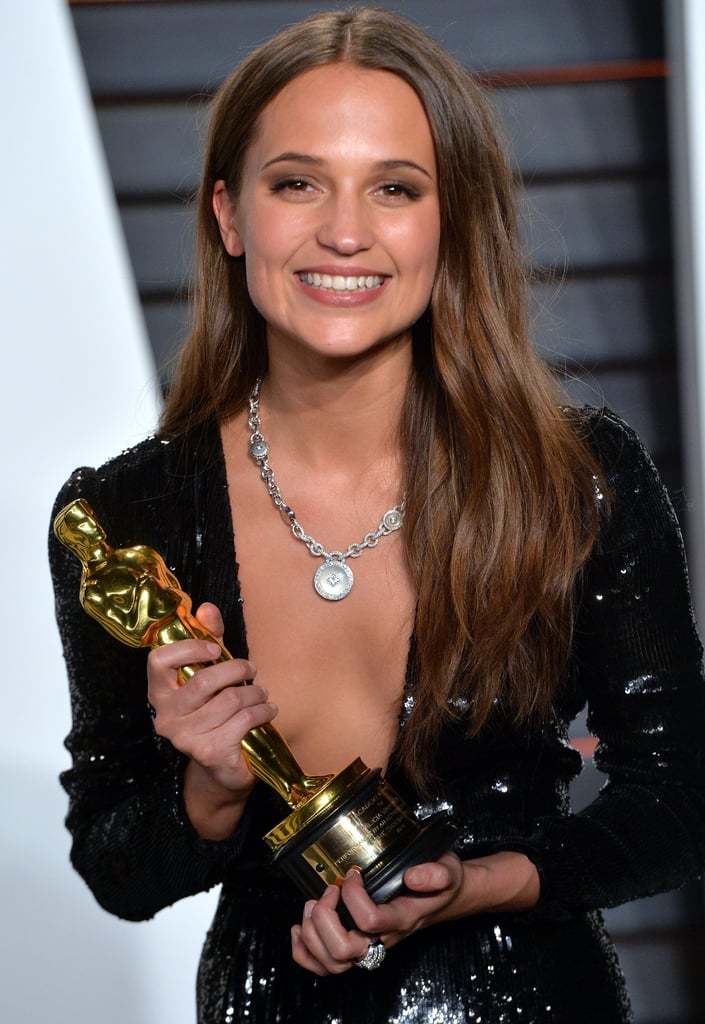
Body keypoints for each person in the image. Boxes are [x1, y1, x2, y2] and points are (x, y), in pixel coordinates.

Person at [48, 6, 705, 1023]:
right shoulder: (124, 518)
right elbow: (116, 871)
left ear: (452, 221)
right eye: (297, 183)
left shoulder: (575, 474)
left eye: (394, 188)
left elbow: (679, 797)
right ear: (229, 215)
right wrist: (208, 791)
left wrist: (481, 884)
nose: (344, 232)